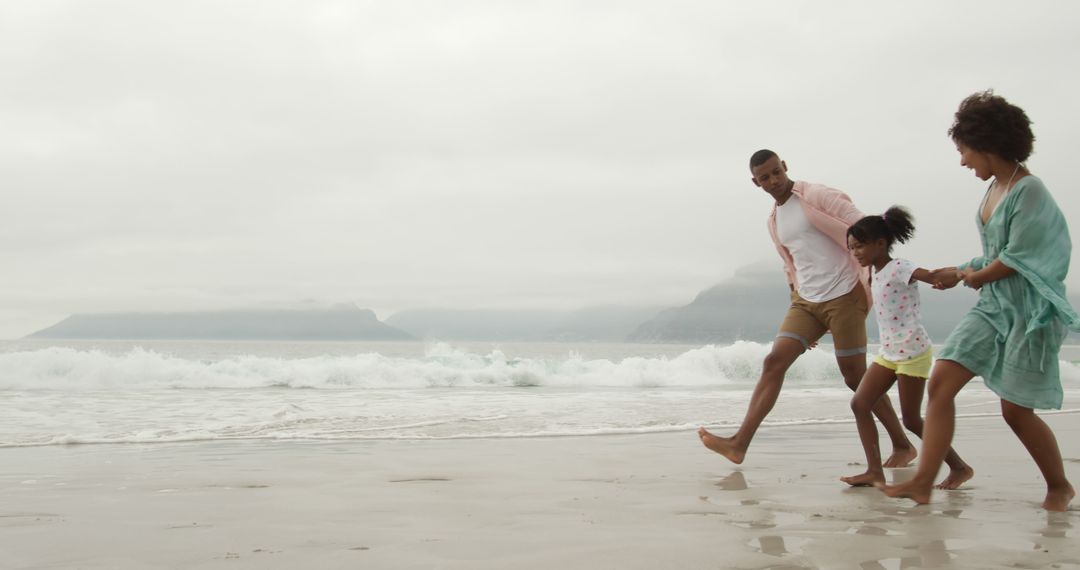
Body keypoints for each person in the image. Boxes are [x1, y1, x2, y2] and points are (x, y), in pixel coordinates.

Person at [882, 91, 1079, 511]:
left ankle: (1059, 486)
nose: (963, 161)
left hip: (1029, 312)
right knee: (940, 382)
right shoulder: (994, 189)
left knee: (1015, 411)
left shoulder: (1030, 192)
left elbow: (1018, 258)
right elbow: (994, 255)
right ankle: (923, 481)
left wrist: (975, 276)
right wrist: (958, 271)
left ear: (988, 143)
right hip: (993, 307)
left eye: (964, 151)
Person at [699, 150, 915, 465]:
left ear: (785, 167)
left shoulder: (815, 195)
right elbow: (792, 263)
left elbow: (865, 227)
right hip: (806, 301)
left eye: (776, 172)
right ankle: (739, 443)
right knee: (774, 362)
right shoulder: (774, 220)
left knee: (855, 377)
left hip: (844, 295)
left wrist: (880, 276)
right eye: (764, 178)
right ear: (755, 182)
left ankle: (902, 445)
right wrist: (795, 297)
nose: (773, 181)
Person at [840, 206, 974, 489]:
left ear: (881, 243)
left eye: (860, 246)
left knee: (912, 420)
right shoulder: (872, 275)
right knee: (860, 404)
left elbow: (932, 275)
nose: (857, 253)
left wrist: (960, 274)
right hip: (888, 352)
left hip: (912, 351)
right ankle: (873, 471)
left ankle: (959, 467)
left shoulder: (899, 267)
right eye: (852, 248)